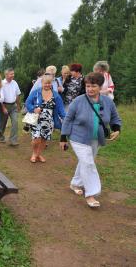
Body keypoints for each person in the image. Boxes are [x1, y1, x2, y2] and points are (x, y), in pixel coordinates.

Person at [60, 72, 122, 208]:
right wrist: (63, 137)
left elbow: (115, 118)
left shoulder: (107, 102)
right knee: (88, 163)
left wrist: (116, 129)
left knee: (86, 161)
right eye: (88, 86)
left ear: (100, 87)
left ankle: (75, 183)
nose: (90, 89)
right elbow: (68, 119)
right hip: (78, 137)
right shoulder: (79, 100)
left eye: (93, 86)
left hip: (96, 138)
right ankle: (91, 194)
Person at [25, 74, 66, 163]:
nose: (47, 85)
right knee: (36, 139)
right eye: (45, 83)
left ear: (51, 84)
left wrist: (66, 119)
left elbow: (61, 109)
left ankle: (38, 155)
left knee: (44, 139)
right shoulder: (36, 92)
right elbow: (27, 103)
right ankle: (34, 153)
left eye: (49, 83)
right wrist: (34, 109)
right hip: (36, 120)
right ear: (41, 83)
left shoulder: (56, 95)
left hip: (49, 121)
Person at [0, 68, 21, 146]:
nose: (13, 75)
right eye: (11, 74)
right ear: (6, 75)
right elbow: (0, 97)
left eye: (13, 74)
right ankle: (1, 136)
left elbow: (18, 94)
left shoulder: (15, 83)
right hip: (4, 105)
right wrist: (3, 108)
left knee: (15, 122)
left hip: (13, 106)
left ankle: (13, 140)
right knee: (2, 123)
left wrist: (18, 105)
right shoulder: (1, 83)